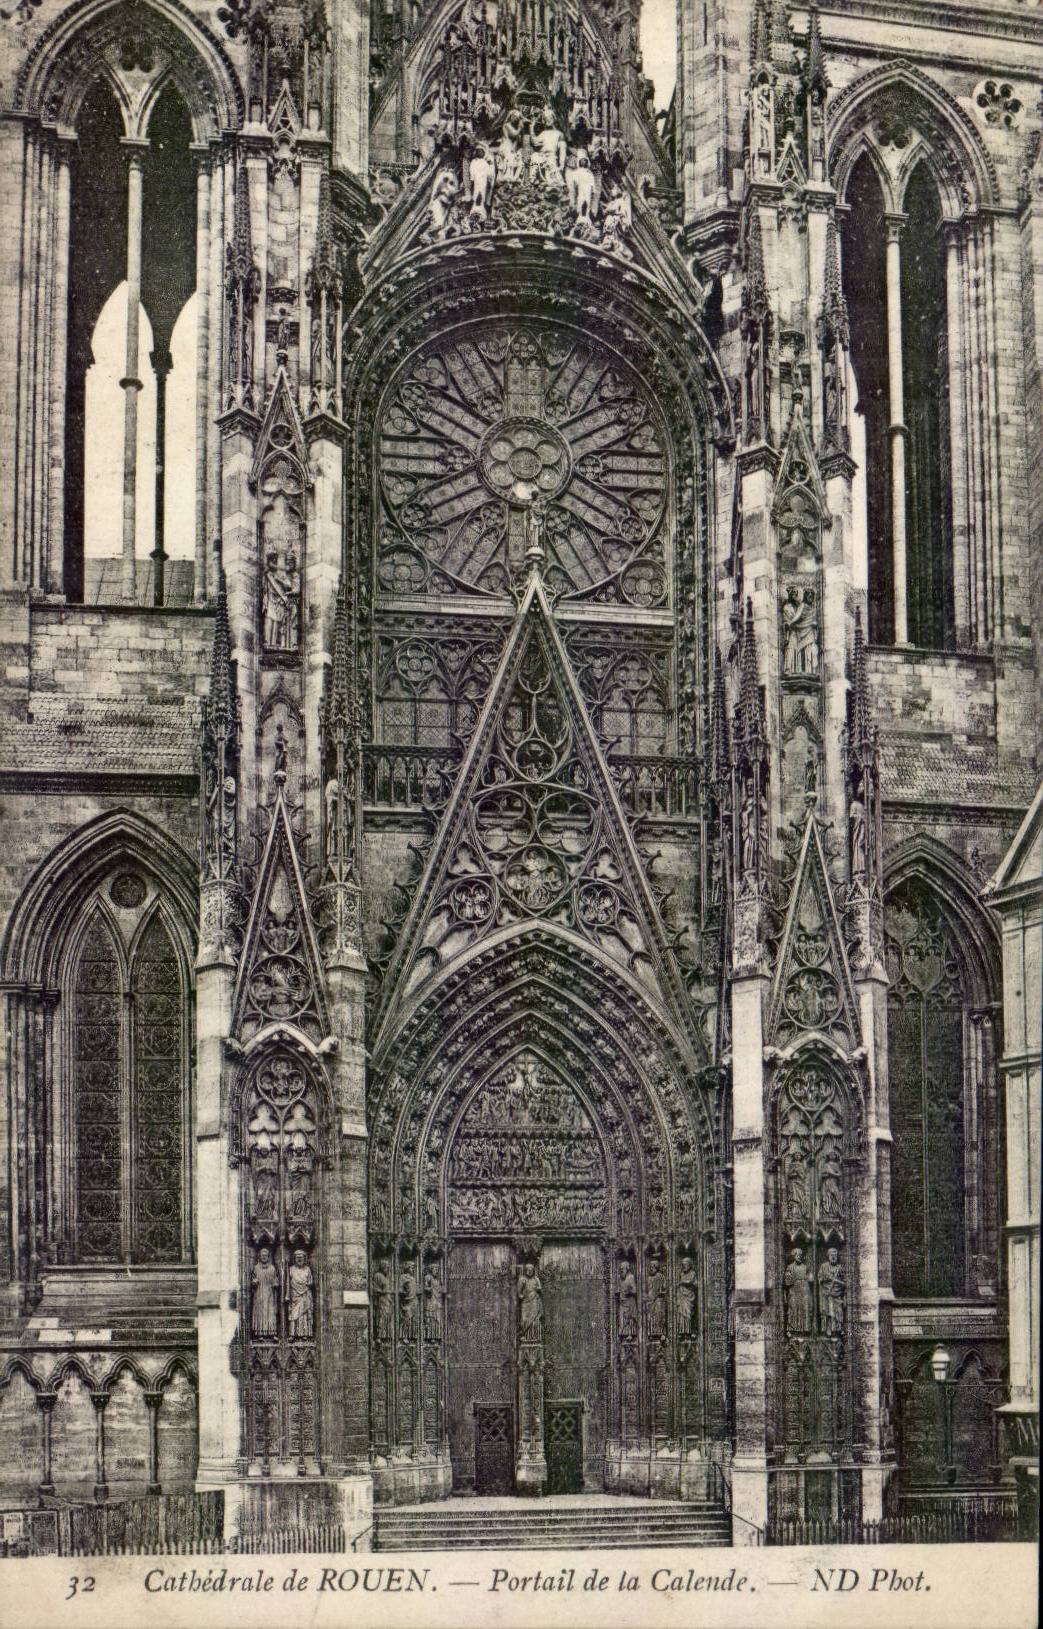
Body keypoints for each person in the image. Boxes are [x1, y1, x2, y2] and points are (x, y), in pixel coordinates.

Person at [784, 1246, 812, 1335]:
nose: (800, 1256)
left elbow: (810, 1279)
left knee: (804, 1308)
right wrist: (791, 1278)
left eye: (801, 1255)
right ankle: (792, 1329)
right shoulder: (790, 1267)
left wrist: (809, 1278)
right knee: (793, 1308)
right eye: (798, 1255)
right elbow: (787, 1281)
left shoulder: (805, 1267)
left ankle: (804, 1329)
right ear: (794, 1256)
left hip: (804, 1290)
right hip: (794, 1291)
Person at [287, 1249, 314, 1339]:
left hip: (305, 1294)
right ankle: (292, 1334)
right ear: (294, 1259)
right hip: (294, 1295)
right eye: (297, 1258)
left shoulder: (307, 1269)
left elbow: (310, 1281)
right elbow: (287, 1283)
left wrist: (308, 1284)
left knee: (304, 1314)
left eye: (301, 1257)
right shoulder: (291, 1269)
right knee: (294, 1314)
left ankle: (304, 1334)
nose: (299, 1259)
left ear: (304, 1258)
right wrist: (287, 1295)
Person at [251, 1247, 278, 1338]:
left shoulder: (272, 1268)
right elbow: (253, 1279)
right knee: (260, 1312)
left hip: (269, 1294)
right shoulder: (256, 1268)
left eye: (265, 1255)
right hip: (259, 1293)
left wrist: (275, 1283)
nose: (264, 1257)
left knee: (270, 1312)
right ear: (259, 1257)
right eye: (262, 1256)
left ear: (268, 1257)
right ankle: (259, 1333)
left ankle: (272, 1333)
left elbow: (275, 1279)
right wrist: (254, 1282)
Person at [518, 1260, 543, 1340]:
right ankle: (523, 1334)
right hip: (526, 1301)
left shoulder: (536, 1279)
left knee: (534, 1318)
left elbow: (540, 1287)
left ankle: (534, 1336)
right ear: (526, 1270)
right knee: (524, 1318)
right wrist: (521, 1295)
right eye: (528, 1270)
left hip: (534, 1300)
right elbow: (519, 1291)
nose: (529, 1271)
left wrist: (537, 1288)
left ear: (533, 1270)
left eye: (531, 1270)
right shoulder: (522, 1279)